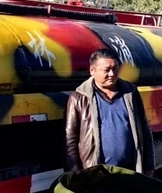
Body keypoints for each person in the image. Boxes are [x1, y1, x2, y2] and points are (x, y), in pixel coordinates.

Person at [65, 47, 155, 176]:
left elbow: (145, 131)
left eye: (115, 68)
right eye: (106, 70)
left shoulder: (130, 93)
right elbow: (70, 140)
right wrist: (76, 174)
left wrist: (149, 165)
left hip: (129, 172)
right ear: (92, 70)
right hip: (96, 174)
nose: (112, 74)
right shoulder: (79, 98)